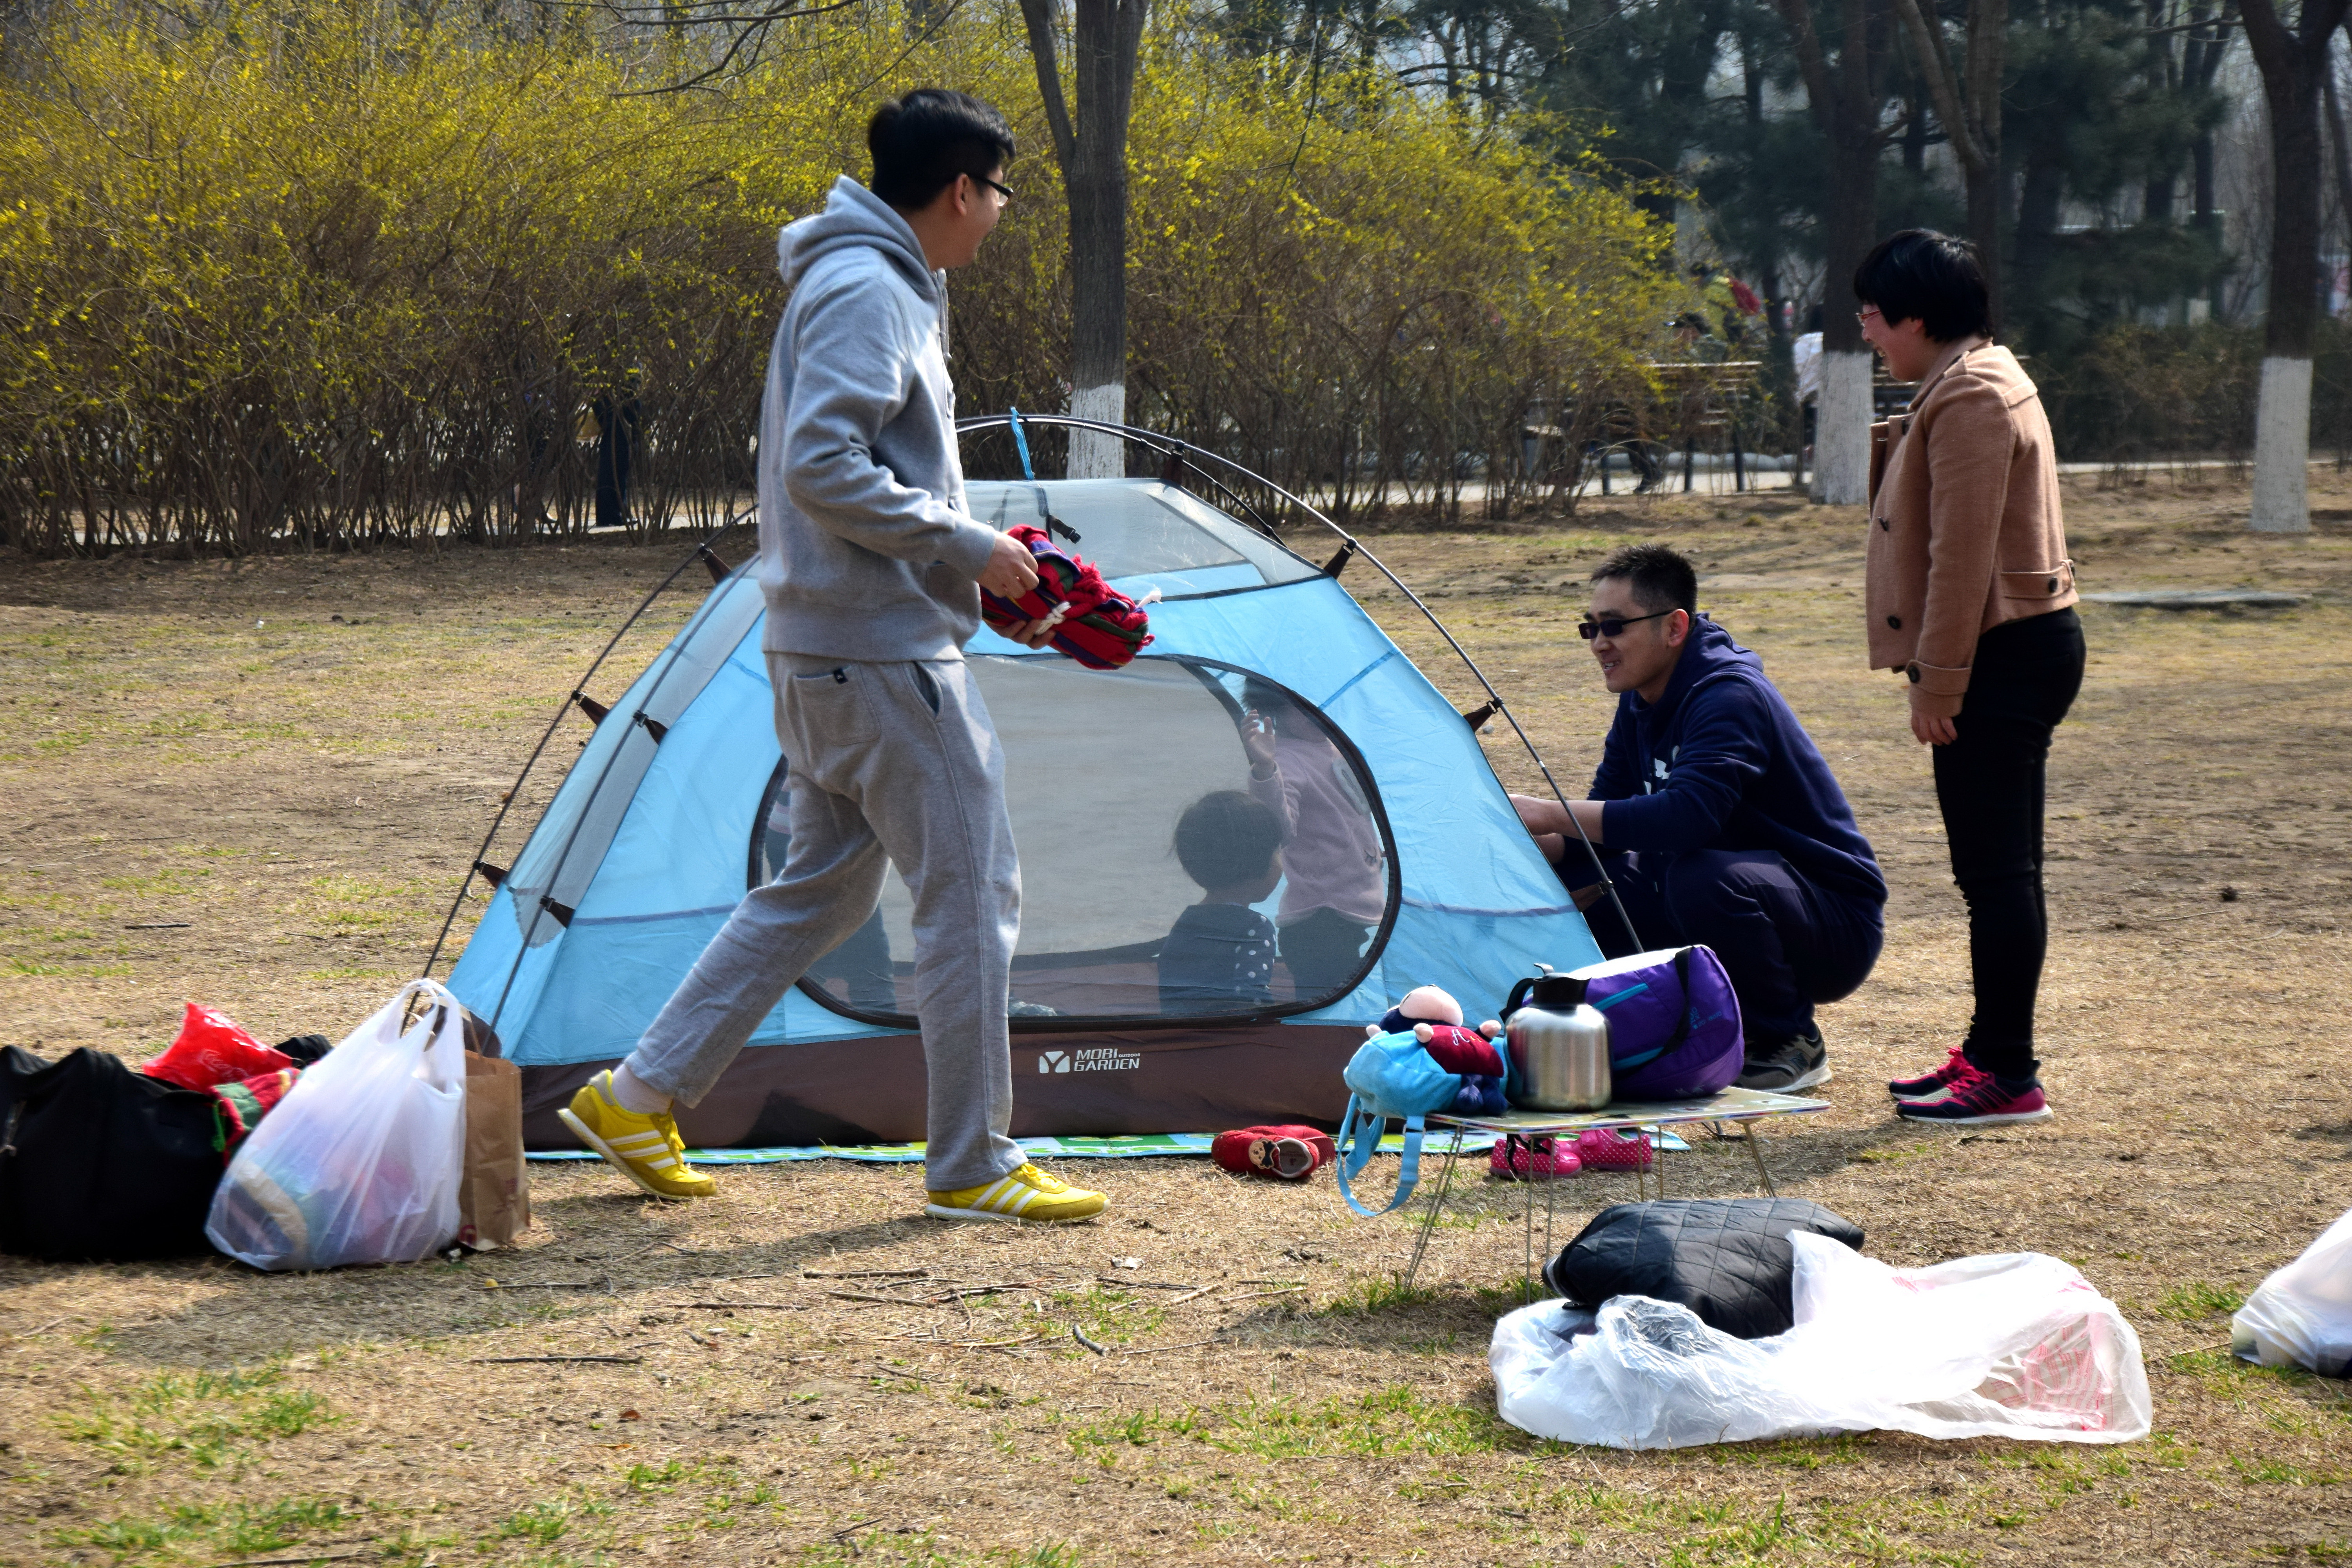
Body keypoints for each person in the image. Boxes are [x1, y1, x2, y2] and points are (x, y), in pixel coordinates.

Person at [558, 89, 1109, 1224]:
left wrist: (972, 571)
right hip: (881, 657)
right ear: (961, 189)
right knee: (972, 893)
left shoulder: (862, 279)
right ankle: (974, 1160)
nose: (999, 215)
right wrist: (967, 548)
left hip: (827, 645)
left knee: (822, 889)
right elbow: (823, 465)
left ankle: (638, 1093)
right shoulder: (870, 288)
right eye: (1001, 193)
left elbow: (861, 474)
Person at [1511, 544, 1885, 1091]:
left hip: (1831, 924)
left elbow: (1689, 818)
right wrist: (1530, 841)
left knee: (1700, 876)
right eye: (1590, 628)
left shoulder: (1729, 695)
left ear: (1675, 627)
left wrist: (1549, 811)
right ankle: (1664, 1025)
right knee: (1584, 876)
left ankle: (1788, 1039)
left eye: (1614, 626)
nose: (1599, 643)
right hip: (1729, 895)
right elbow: (1606, 827)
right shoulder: (1640, 700)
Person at [1857, 230, 2083, 1127]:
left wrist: (1938, 682)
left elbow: (1963, 558)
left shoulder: (1973, 396)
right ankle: (1991, 1051)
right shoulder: (1973, 377)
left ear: (1916, 317)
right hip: (2017, 645)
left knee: (1995, 876)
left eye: (1874, 314)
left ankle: (2008, 1071)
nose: (1868, 330)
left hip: (2000, 654)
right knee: (2000, 873)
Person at [1240, 678, 1387, 997]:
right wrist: (1265, 769)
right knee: (1326, 1003)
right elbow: (1279, 830)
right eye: (1300, 708)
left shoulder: (1334, 745)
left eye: (1321, 703)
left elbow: (1346, 814)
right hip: (1320, 920)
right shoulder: (1286, 759)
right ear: (1274, 711)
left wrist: (1370, 848)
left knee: (1342, 995)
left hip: (1349, 908)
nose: (1315, 714)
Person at [1158, 790, 1285, 1014]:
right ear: (1259, 862)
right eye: (1278, 853)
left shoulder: (1186, 921)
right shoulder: (1255, 928)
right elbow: (1253, 1002)